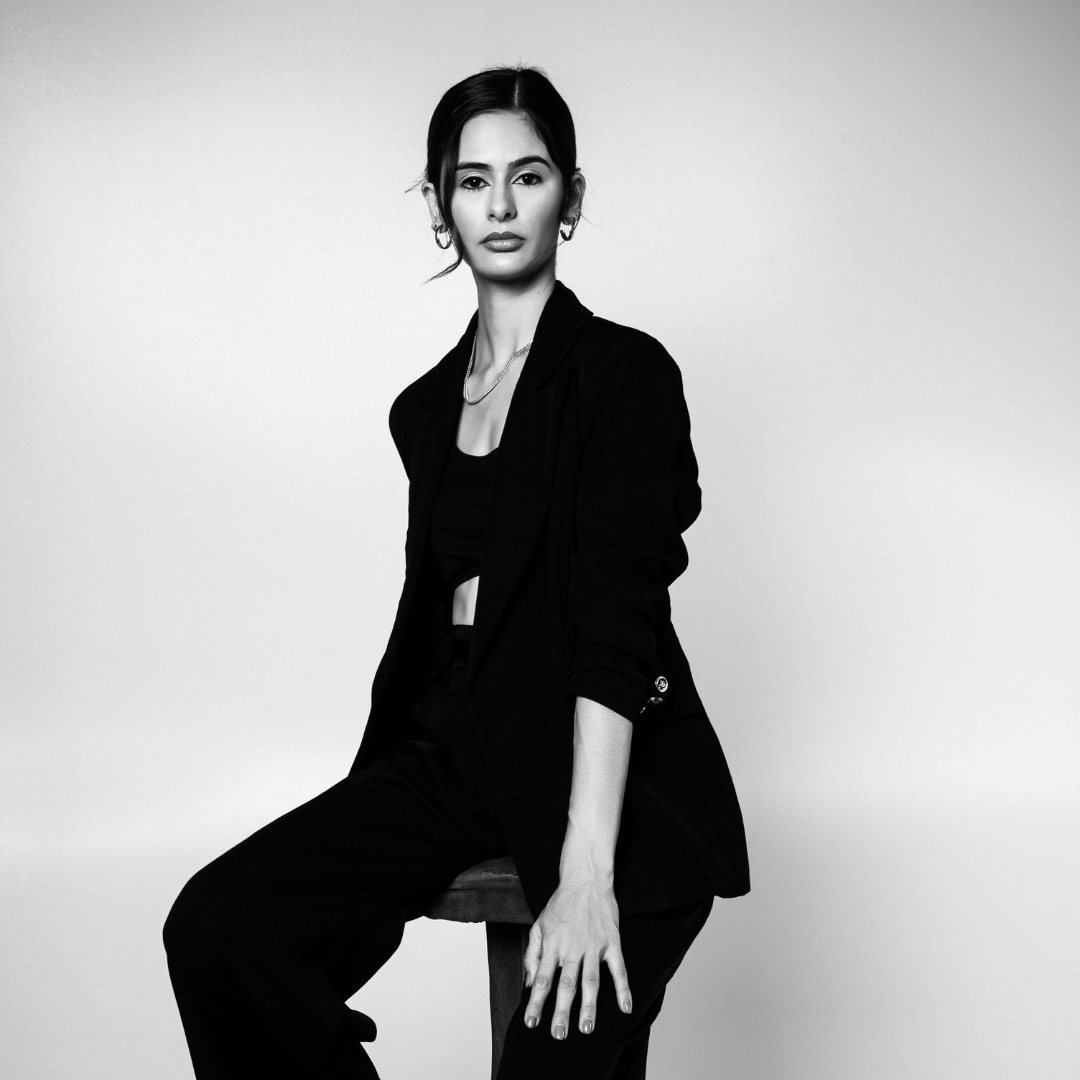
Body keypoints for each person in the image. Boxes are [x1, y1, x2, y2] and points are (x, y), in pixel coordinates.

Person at [163, 65, 749, 1080]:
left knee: (550, 1057)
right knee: (217, 930)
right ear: (441, 208)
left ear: (571, 195)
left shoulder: (624, 376)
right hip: (455, 750)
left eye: (529, 176)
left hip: (611, 773)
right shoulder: (425, 410)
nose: (501, 206)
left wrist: (585, 877)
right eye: (473, 182)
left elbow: (616, 625)